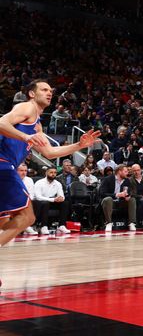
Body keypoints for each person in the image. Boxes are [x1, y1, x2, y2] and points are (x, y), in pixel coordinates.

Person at [0, 80, 100, 256]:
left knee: (5, 223)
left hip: (6, 166)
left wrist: (79, 144)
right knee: (27, 217)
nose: (49, 93)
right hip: (3, 164)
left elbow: (50, 152)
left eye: (51, 91)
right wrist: (25, 137)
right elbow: (1, 123)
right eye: (44, 89)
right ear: (32, 93)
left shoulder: (37, 125)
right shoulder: (27, 107)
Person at [98, 164, 137, 232]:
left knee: (132, 199)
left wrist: (128, 196)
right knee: (108, 199)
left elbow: (131, 191)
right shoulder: (107, 179)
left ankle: (132, 223)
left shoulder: (127, 181)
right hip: (110, 202)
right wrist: (117, 195)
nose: (127, 173)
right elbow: (102, 193)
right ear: (119, 171)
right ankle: (108, 223)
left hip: (121, 202)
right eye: (125, 171)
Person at [32, 166, 71, 234]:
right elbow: (38, 197)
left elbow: (62, 195)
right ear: (46, 173)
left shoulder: (57, 183)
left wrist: (60, 198)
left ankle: (62, 225)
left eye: (55, 173)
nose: (53, 174)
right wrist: (53, 199)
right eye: (51, 172)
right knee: (45, 203)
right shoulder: (39, 182)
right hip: (39, 203)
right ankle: (43, 226)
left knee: (65, 203)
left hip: (51, 202)